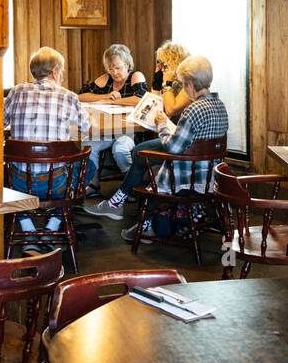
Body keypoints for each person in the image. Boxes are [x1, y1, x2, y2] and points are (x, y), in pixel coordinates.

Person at [81, 54, 228, 243]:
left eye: (183, 84)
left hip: (184, 174)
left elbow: (174, 148)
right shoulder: (220, 106)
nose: (183, 88)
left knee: (141, 154)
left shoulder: (194, 109)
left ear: (190, 84)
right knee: (140, 152)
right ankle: (125, 205)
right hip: (208, 176)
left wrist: (162, 125)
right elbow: (197, 141)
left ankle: (134, 212)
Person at [3, 47, 90, 251]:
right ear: (55, 72)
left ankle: (28, 230)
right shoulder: (69, 97)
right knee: (89, 165)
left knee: (6, 174)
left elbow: (1, 122)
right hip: (56, 183)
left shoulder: (16, 91)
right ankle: (52, 228)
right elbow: (86, 128)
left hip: (18, 182)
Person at [76, 43, 147, 190]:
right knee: (88, 144)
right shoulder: (106, 79)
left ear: (127, 64)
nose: (114, 72)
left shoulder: (135, 76)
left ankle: (131, 187)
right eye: (111, 68)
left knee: (120, 149)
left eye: (118, 67)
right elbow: (81, 96)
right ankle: (93, 184)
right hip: (107, 130)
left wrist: (116, 101)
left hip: (131, 131)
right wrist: (106, 96)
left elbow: (140, 99)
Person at [151, 40, 192, 121]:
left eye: (164, 64)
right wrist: (157, 80)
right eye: (159, 63)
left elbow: (170, 111)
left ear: (174, 62)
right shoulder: (174, 81)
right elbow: (153, 105)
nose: (161, 67)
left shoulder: (190, 82)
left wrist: (167, 82)